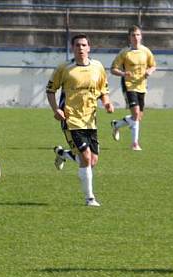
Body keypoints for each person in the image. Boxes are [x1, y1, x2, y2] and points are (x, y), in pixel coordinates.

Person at [46, 34, 114, 206]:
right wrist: (56, 110)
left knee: (92, 161)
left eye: (84, 45)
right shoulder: (65, 68)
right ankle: (89, 198)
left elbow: (103, 90)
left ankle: (63, 154)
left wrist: (106, 103)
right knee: (85, 157)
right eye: (77, 45)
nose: (81, 48)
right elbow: (50, 90)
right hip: (71, 120)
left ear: (89, 48)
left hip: (91, 120)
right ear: (72, 48)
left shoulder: (97, 67)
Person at [110, 26, 156, 151]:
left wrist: (149, 71)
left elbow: (153, 65)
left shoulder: (146, 51)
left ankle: (117, 124)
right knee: (135, 114)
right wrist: (124, 74)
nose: (135, 37)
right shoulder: (125, 53)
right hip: (129, 85)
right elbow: (113, 69)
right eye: (133, 35)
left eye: (138, 35)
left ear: (141, 36)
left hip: (142, 86)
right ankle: (135, 144)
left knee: (138, 117)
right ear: (129, 37)